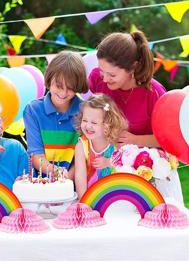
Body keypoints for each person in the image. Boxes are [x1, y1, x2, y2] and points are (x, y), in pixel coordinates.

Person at [88, 30, 165, 148]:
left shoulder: (154, 93)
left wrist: (136, 140)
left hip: (143, 162)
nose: (105, 79)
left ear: (133, 67)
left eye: (112, 75)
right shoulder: (96, 78)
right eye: (102, 70)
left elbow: (168, 139)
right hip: (104, 157)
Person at [23, 51, 89, 179]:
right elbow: (37, 157)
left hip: (76, 181)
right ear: (49, 77)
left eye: (70, 88)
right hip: (41, 184)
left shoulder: (85, 111)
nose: (63, 93)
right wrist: (58, 175)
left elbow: (85, 155)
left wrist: (67, 179)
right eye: (58, 86)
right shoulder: (33, 110)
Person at [75, 94, 128, 198]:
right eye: (85, 120)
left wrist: (109, 162)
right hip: (91, 197)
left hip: (114, 195)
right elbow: (79, 176)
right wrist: (83, 200)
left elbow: (126, 165)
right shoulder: (82, 146)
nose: (88, 126)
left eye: (94, 122)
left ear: (108, 124)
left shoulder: (115, 144)